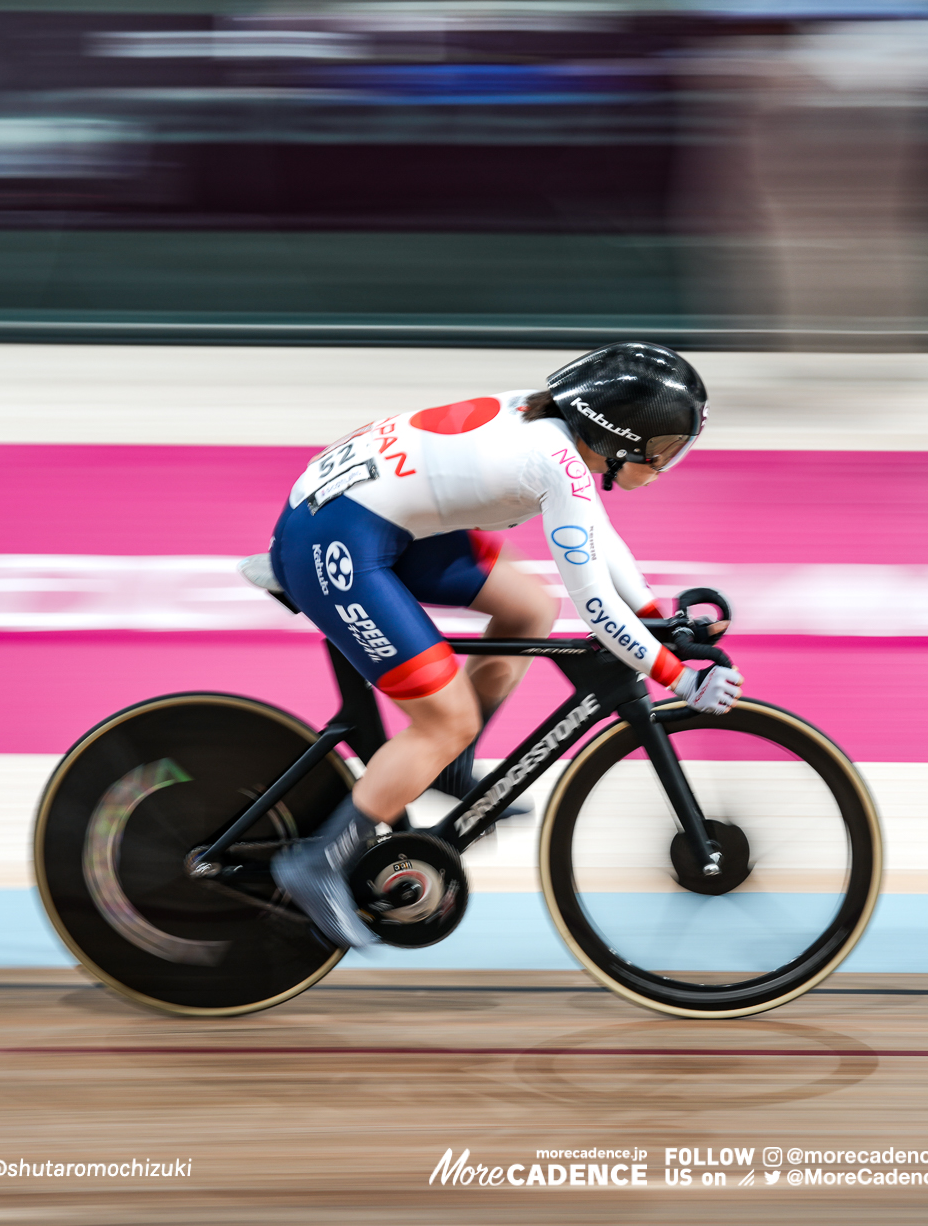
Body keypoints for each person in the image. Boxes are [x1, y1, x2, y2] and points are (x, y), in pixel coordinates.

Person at [249, 342, 744, 949]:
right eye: (664, 448)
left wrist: (652, 615)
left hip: (371, 515)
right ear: (619, 435)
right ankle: (320, 860)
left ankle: (447, 768)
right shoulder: (553, 462)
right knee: (443, 719)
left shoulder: (558, 434)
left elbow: (596, 533)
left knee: (529, 607)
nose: (666, 462)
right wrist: (678, 677)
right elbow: (595, 606)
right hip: (336, 538)